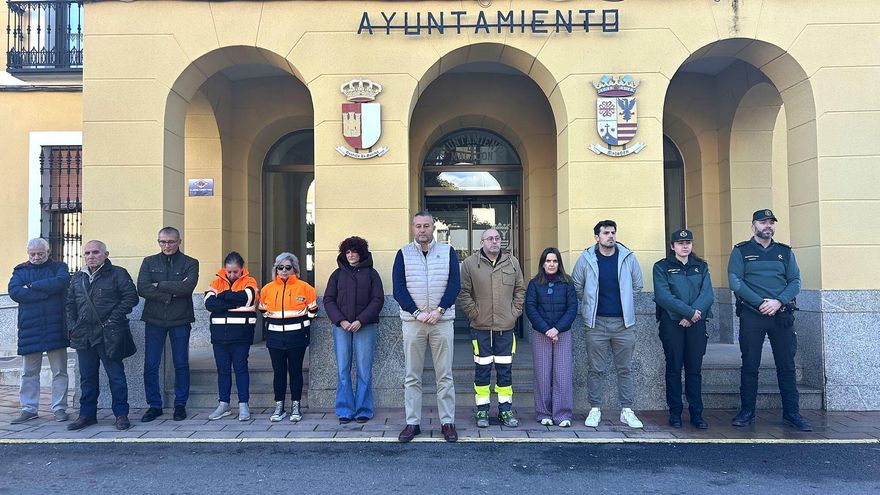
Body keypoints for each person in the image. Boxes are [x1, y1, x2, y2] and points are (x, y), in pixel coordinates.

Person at [728, 209, 812, 431]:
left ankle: (792, 413)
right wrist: (759, 303)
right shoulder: (741, 251)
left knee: (786, 365)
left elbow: (795, 281)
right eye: (763, 222)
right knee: (750, 364)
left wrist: (778, 302)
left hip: (781, 315)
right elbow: (735, 281)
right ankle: (747, 412)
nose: (768, 226)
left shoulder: (784, 252)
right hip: (752, 315)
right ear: (753, 225)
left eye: (771, 222)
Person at [392, 210, 460, 443]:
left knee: (445, 375)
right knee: (412, 375)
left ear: (434, 228)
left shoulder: (448, 251)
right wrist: (418, 313)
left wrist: (439, 310)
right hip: (414, 323)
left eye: (426, 226)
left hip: (442, 321)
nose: (422, 230)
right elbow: (398, 288)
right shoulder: (403, 253)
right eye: (418, 226)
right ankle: (412, 423)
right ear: (413, 228)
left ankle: (447, 422)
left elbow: (454, 284)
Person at [572, 220, 644, 428]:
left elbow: (637, 285)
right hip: (596, 324)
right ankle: (595, 409)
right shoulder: (586, 259)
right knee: (596, 369)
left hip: (624, 324)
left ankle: (627, 410)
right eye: (605, 233)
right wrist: (589, 306)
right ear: (597, 237)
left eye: (613, 232)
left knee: (625, 369)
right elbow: (578, 285)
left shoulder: (627, 257)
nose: (610, 236)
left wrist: (626, 307)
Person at [65, 240, 138, 431]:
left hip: (109, 334)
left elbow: (131, 297)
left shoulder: (118, 274)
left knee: (116, 376)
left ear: (106, 254)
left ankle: (121, 414)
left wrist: (112, 319)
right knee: (87, 378)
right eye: (87, 253)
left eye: (96, 252)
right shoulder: (78, 277)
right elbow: (69, 304)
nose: (91, 256)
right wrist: (73, 325)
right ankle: (87, 415)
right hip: (84, 336)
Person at [458, 228, 525, 428]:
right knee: (482, 370)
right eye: (490, 239)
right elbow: (464, 293)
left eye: (497, 238)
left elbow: (520, 289)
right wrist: (474, 314)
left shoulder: (512, 263)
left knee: (505, 371)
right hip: (481, 328)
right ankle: (482, 411)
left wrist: (514, 312)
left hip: (506, 327)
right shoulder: (470, 264)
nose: (494, 241)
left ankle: (505, 410)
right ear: (482, 242)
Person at [137, 226, 199, 422]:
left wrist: (161, 285)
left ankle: (180, 405)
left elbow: (188, 287)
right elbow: (142, 288)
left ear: (179, 241)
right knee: (150, 364)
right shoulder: (149, 262)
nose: (166, 245)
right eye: (162, 242)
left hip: (180, 319)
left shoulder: (191, 263)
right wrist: (171, 293)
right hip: (154, 320)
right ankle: (154, 405)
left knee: (181, 363)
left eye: (171, 241)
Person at [653, 229, 713, 429]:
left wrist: (693, 314)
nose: (684, 246)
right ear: (672, 246)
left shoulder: (701, 266)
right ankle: (675, 412)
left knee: (694, 370)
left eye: (688, 242)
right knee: (674, 367)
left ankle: (697, 413)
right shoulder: (662, 267)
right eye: (680, 243)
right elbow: (663, 296)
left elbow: (707, 294)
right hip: (672, 323)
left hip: (696, 322)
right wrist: (687, 313)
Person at [8, 238, 70, 424]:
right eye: (32, 254)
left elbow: (61, 282)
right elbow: (14, 291)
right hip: (30, 329)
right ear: (28, 253)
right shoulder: (20, 270)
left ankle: (59, 408)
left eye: (40, 254)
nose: (36, 257)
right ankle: (29, 409)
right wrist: (46, 292)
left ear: (48, 252)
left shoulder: (59, 267)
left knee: (59, 371)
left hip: (55, 326)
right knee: (29, 373)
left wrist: (33, 287)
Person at [324, 236, 384, 424]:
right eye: (347, 252)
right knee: (343, 369)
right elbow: (328, 300)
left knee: (364, 370)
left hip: (364, 327)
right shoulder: (336, 275)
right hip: (341, 327)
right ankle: (344, 410)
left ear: (361, 252)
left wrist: (361, 320)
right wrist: (340, 320)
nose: (350, 255)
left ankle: (364, 410)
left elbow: (377, 300)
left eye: (354, 251)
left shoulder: (372, 274)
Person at [259, 252, 317, 423]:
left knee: (295, 371)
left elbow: (313, 311)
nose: (283, 271)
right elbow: (263, 309)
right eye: (280, 267)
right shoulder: (267, 289)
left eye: (287, 267)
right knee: (278, 373)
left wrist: (300, 325)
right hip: (275, 338)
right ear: (276, 269)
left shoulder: (306, 288)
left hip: (297, 337)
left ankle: (296, 406)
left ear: (295, 269)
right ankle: (279, 407)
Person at [525, 247, 578, 427]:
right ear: (542, 263)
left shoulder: (567, 283)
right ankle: (544, 413)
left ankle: (562, 414)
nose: (551, 264)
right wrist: (547, 329)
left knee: (562, 374)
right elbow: (530, 308)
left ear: (559, 263)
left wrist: (557, 329)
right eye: (548, 261)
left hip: (562, 333)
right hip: (541, 334)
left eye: (555, 261)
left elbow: (572, 309)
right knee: (542, 374)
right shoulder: (534, 284)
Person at [204, 252, 259, 422]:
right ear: (224, 269)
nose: (232, 275)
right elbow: (209, 304)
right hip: (219, 335)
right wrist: (233, 300)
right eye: (229, 272)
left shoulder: (250, 281)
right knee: (223, 370)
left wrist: (224, 296)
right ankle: (224, 404)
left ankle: (243, 405)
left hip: (241, 334)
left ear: (242, 269)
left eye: (235, 271)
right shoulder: (216, 281)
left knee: (241, 369)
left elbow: (248, 298)